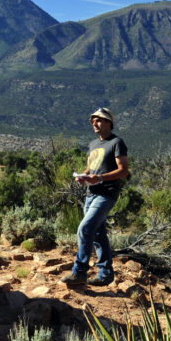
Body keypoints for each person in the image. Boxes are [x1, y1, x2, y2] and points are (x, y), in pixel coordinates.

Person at [62, 107, 129, 286]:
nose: (94, 123)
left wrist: (99, 178)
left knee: (85, 229)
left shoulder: (116, 142)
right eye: (93, 120)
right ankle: (106, 274)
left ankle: (80, 272)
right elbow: (91, 167)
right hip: (90, 194)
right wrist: (83, 176)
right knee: (98, 233)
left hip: (106, 194)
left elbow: (123, 170)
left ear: (109, 122)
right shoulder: (93, 144)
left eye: (98, 120)